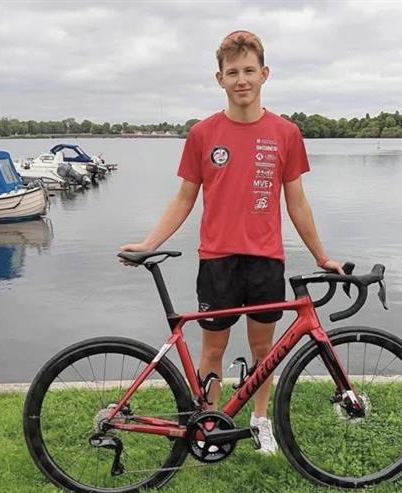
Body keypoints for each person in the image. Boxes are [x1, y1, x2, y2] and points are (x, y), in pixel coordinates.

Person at [121, 30, 344, 454]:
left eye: (249, 71)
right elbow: (184, 198)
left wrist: (322, 256)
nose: (242, 80)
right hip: (217, 259)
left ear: (264, 74)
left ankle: (260, 421)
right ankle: (209, 427)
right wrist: (149, 242)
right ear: (219, 78)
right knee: (213, 350)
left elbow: (297, 202)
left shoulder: (286, 133)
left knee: (264, 349)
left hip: (265, 259)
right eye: (232, 72)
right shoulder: (203, 133)